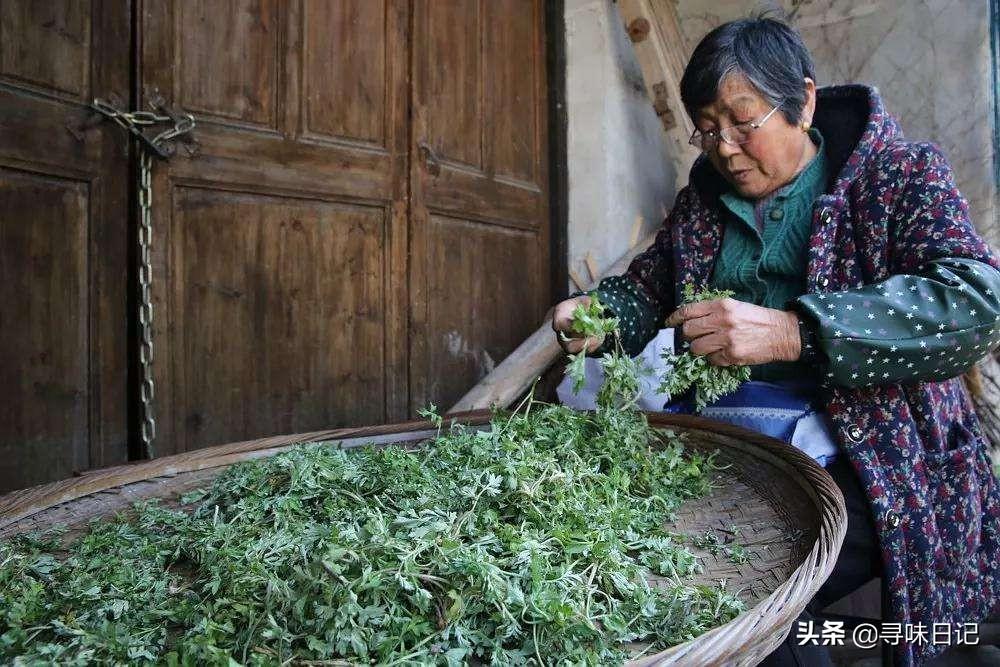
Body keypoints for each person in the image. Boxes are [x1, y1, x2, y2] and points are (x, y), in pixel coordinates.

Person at [552, 16, 1000, 667]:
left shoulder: (897, 177)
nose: (725, 147)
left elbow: (975, 300)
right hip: (739, 446)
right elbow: (647, 291)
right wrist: (596, 315)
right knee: (650, 566)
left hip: (879, 452)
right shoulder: (702, 206)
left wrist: (795, 330)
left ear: (805, 102)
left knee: (755, 586)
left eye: (743, 121)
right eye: (707, 129)